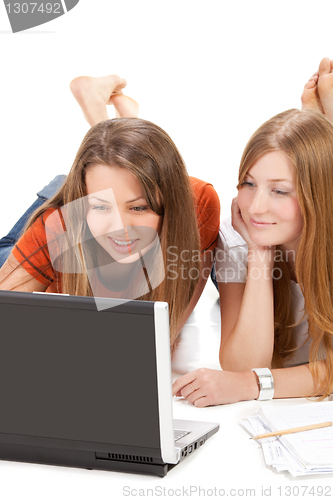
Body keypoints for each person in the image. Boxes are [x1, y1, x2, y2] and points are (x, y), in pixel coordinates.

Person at [0, 75, 220, 349]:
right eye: (99, 206)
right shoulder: (58, 226)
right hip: (44, 242)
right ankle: (117, 124)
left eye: (139, 208)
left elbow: (176, 310)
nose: (120, 227)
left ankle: (119, 123)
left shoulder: (199, 202)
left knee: (116, 175)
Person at [173, 57, 333, 406]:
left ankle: (324, 122)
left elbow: (250, 377)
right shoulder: (236, 235)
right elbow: (242, 364)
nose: (256, 206)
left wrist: (253, 386)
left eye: (280, 190)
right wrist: (259, 253)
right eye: (248, 183)